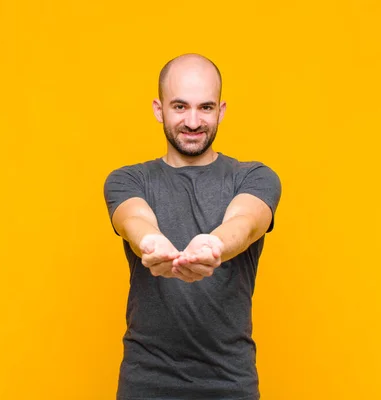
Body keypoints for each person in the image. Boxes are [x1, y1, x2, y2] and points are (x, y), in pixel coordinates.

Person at [103, 53, 282, 400]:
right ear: (159, 110)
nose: (194, 121)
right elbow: (134, 219)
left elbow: (244, 224)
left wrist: (213, 245)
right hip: (145, 384)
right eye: (180, 106)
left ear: (221, 110)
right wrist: (152, 242)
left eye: (205, 107)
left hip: (231, 384)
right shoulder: (127, 180)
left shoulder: (255, 177)